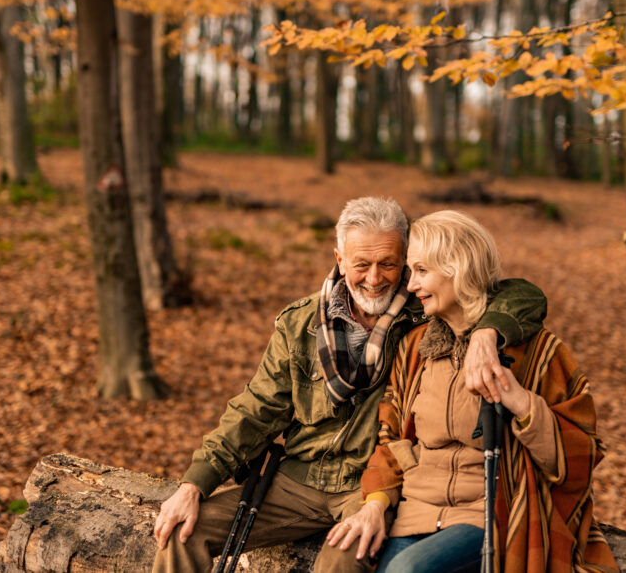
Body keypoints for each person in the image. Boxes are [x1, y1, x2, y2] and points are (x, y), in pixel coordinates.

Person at [152, 197, 548, 572]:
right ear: (339, 259)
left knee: (342, 562)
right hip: (298, 478)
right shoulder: (302, 323)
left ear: (407, 262)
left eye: (388, 264)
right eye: (361, 264)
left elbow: (521, 294)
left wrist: (488, 333)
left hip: (369, 485)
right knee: (181, 535)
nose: (374, 279)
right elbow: (255, 410)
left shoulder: (425, 313)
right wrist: (194, 483)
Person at [327, 210, 618, 573]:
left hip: (488, 517)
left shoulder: (534, 352)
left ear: (458, 268)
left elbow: (581, 457)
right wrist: (375, 502)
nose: (411, 286)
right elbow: (390, 439)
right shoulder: (415, 348)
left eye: (421, 271)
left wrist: (521, 402)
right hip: (414, 513)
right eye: (410, 272)